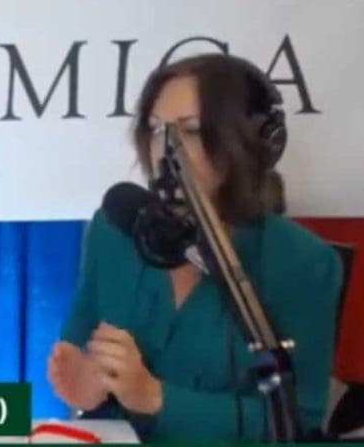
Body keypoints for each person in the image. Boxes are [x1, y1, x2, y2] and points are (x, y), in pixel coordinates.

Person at [47, 53, 341, 441]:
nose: (166, 151)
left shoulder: (304, 262)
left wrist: (155, 398)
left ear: (249, 143)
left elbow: (298, 420)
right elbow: (81, 351)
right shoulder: (115, 229)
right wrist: (86, 386)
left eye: (190, 131)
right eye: (157, 130)